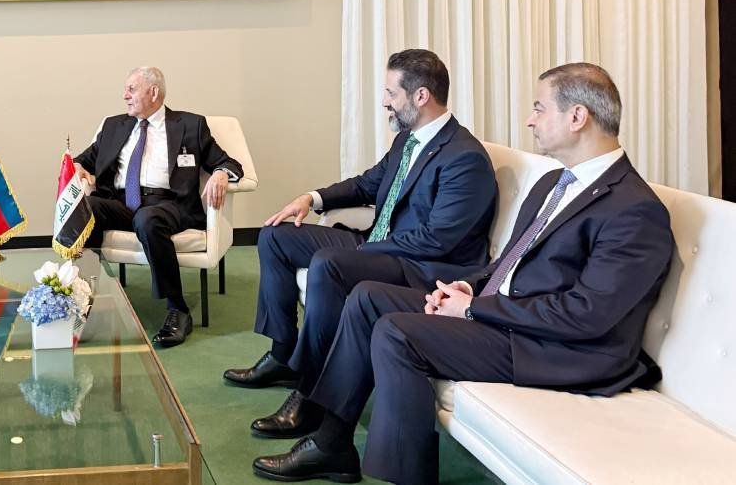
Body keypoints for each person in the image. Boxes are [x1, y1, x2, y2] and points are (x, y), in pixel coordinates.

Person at [253, 63, 675, 484]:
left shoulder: (634, 210)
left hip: (559, 349)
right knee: (367, 299)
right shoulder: (553, 183)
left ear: (577, 116)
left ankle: (406, 476)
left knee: (398, 333)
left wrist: (474, 310)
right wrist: (469, 287)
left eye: (539, 108)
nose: (530, 120)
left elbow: (586, 316)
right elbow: (509, 263)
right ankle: (332, 443)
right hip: (511, 318)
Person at [225, 49, 497, 440]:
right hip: (381, 245)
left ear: (421, 96)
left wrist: (362, 251)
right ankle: (283, 354)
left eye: (391, 93)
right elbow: (368, 184)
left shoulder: (464, 157)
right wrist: (311, 198)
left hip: (421, 265)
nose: (385, 101)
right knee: (276, 236)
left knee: (331, 264)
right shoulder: (408, 140)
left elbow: (437, 239)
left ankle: (310, 394)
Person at [74, 66, 244, 347]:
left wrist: (220, 174)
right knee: (87, 207)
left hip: (168, 204)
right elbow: (83, 159)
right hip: (120, 203)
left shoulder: (190, 125)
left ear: (153, 92)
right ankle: (86, 296)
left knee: (148, 219)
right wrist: (77, 167)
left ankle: (178, 308)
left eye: (131, 89)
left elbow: (228, 163)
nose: (124, 95)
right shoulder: (114, 126)